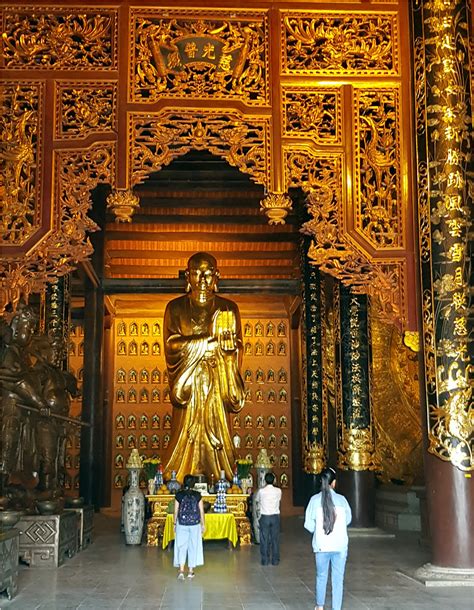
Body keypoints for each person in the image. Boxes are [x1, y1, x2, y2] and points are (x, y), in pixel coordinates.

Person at [163, 252, 245, 482]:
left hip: (218, 382)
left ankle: (223, 477)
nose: (202, 280)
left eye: (208, 274)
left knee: (219, 432)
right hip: (189, 384)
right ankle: (178, 476)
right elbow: (171, 345)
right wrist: (206, 344)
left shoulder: (229, 308)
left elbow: (237, 346)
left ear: (216, 276)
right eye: (196, 273)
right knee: (184, 433)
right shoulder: (175, 307)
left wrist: (228, 353)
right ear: (187, 277)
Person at [304, 467, 352, 610]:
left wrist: (318, 529)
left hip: (321, 546)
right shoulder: (342, 500)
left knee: (321, 576)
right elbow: (348, 520)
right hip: (339, 545)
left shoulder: (314, 500)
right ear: (334, 483)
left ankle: (320, 606)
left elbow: (308, 525)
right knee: (338, 580)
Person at [173, 474, 205, 579]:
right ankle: (191, 572)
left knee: (181, 546)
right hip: (195, 524)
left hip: (181, 523)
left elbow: (176, 511)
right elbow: (201, 511)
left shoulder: (179, 495)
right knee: (193, 546)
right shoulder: (197, 495)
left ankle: (181, 571)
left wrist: (174, 524)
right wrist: (203, 524)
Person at [255, 472, 282, 566]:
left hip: (265, 516)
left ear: (265, 480)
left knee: (264, 539)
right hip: (275, 516)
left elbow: (257, 500)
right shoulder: (278, 491)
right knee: (275, 539)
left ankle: (265, 560)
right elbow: (279, 499)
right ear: (274, 480)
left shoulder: (261, 491)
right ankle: (275, 560)